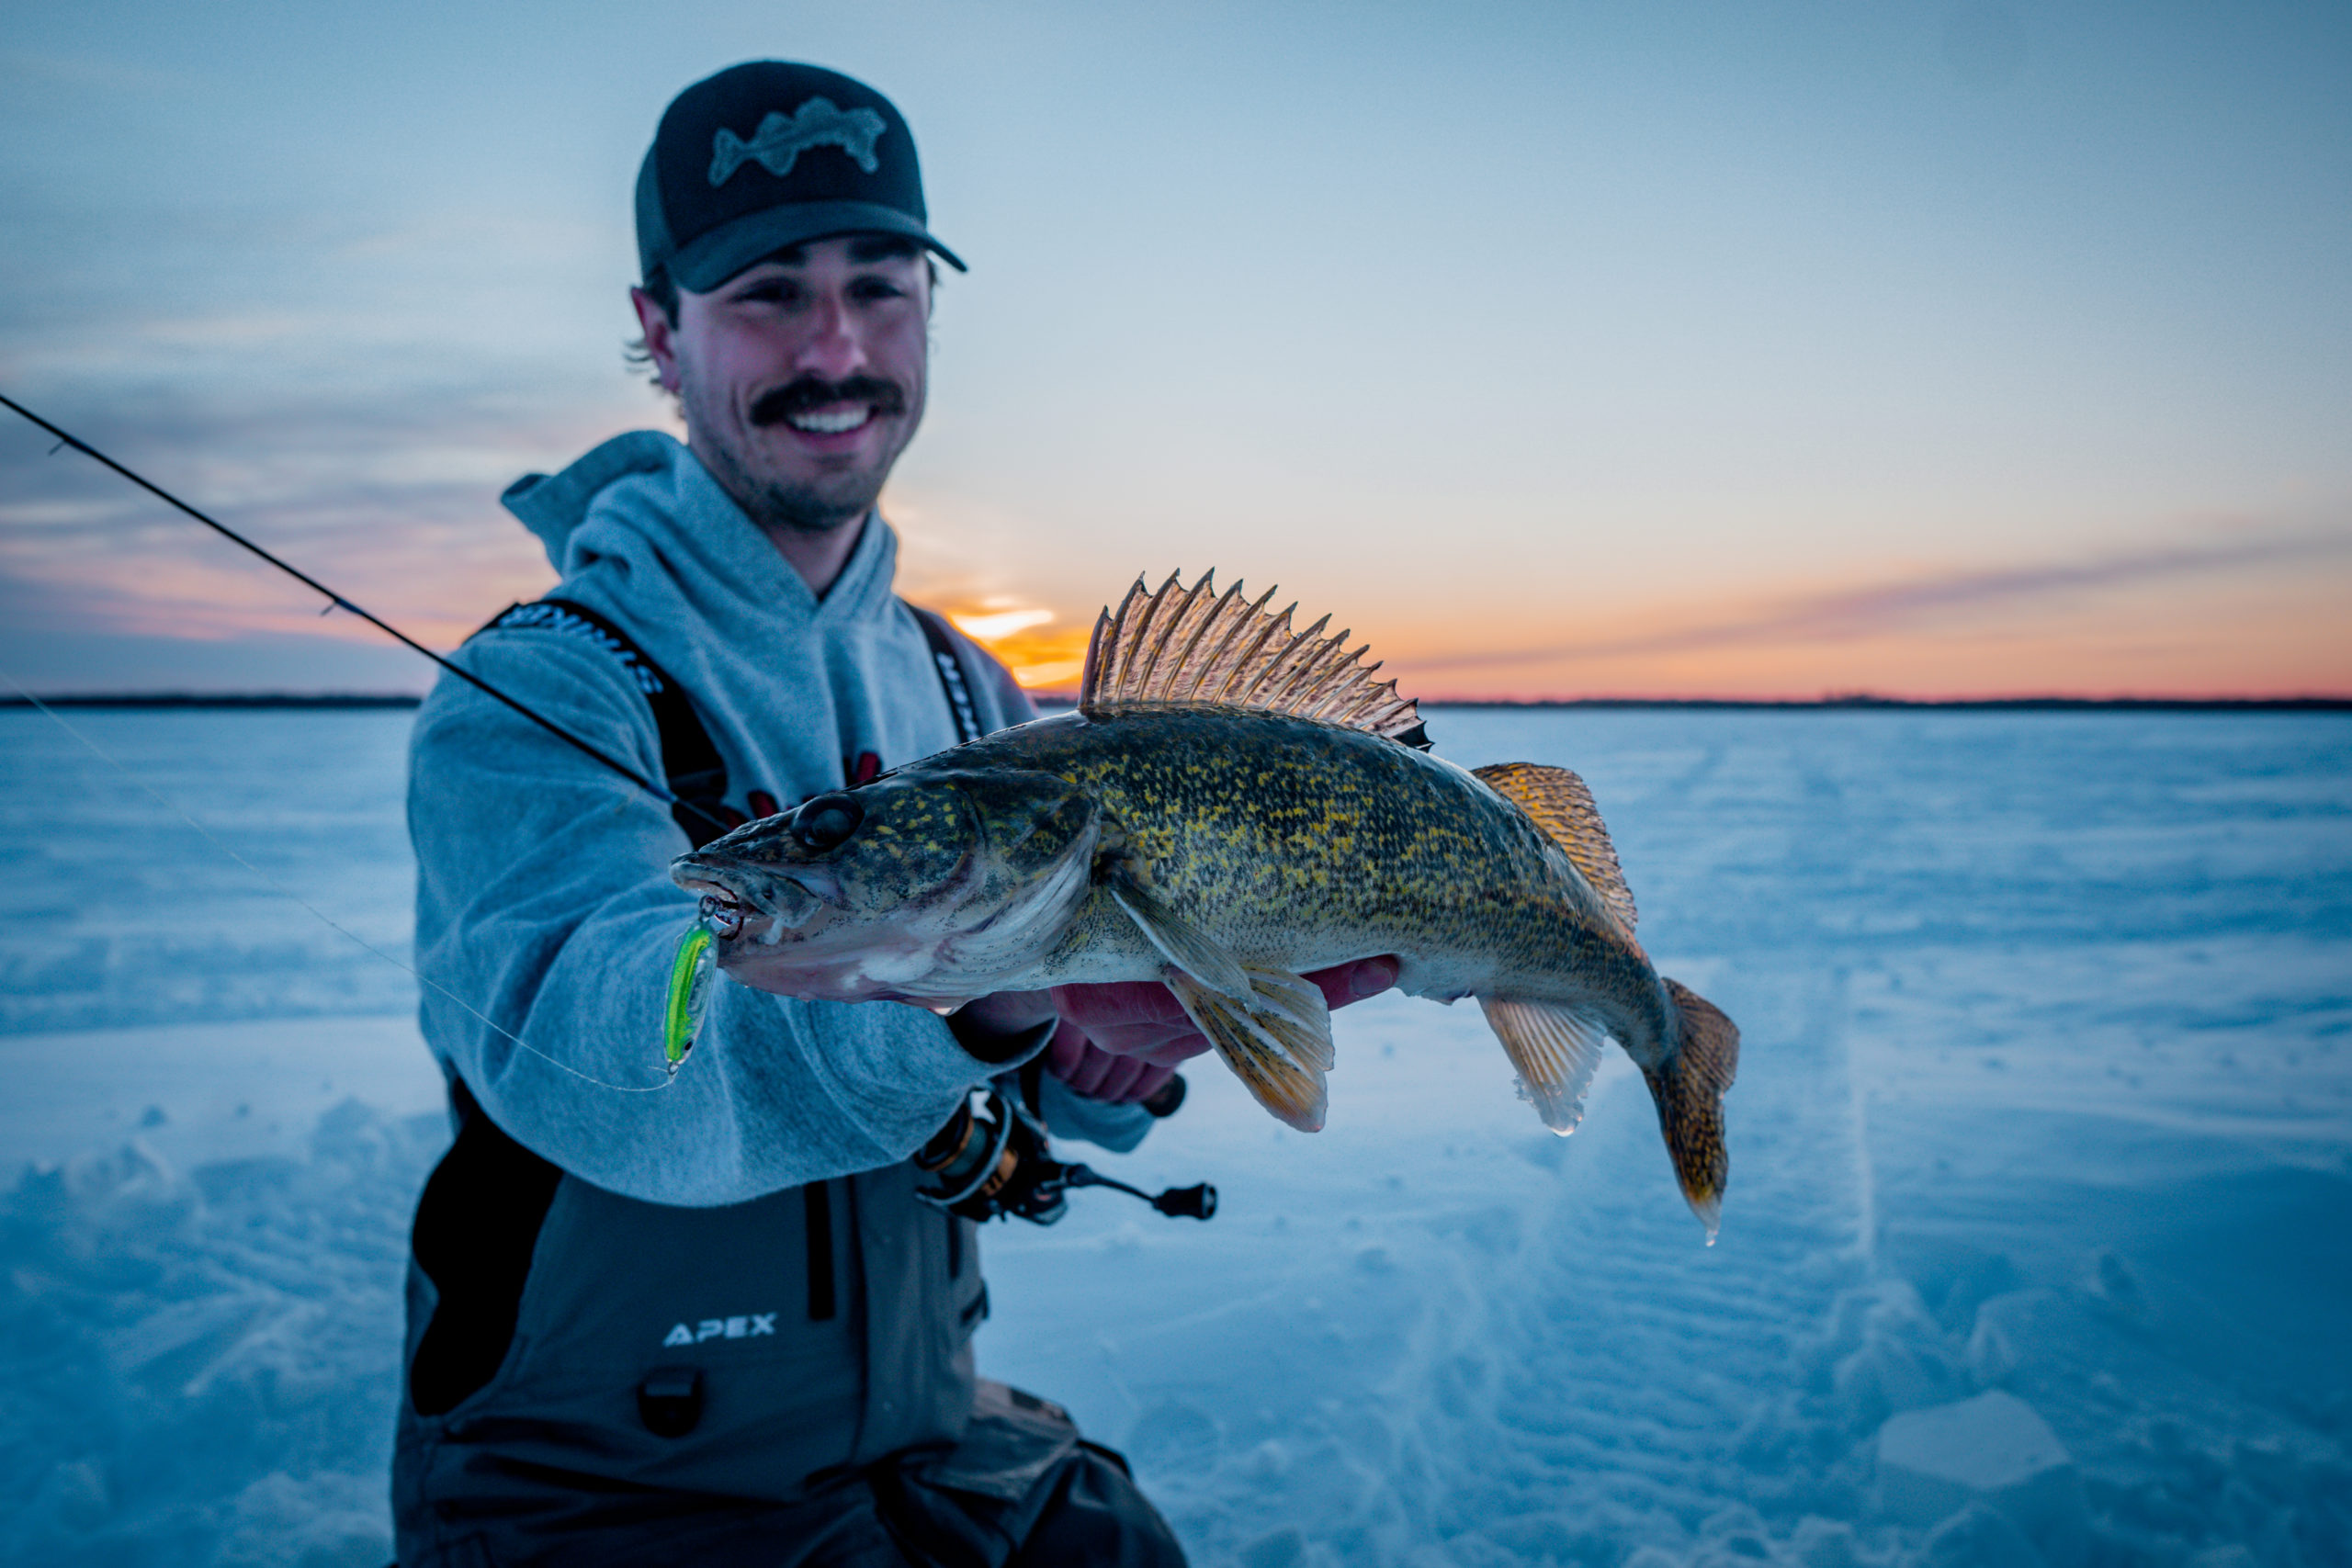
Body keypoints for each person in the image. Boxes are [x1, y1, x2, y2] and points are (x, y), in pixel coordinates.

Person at [393, 61, 1397, 1567]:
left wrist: (1105, 1041)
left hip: (929, 1434)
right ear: (660, 331)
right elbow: (597, 1047)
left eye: (881, 283)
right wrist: (960, 992)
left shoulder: (973, 683)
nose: (838, 348)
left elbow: (1050, 1084)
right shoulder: (536, 692)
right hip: (601, 1492)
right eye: (768, 293)